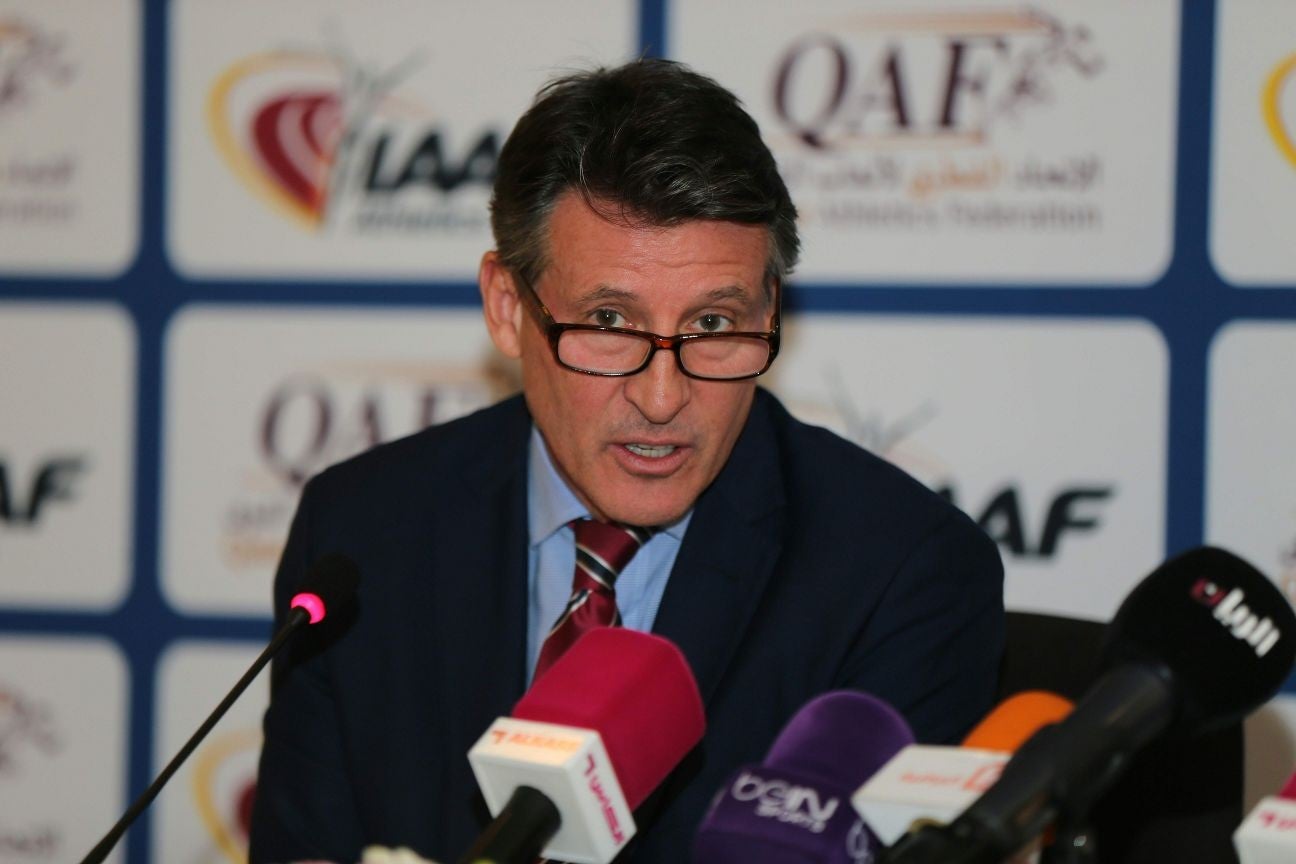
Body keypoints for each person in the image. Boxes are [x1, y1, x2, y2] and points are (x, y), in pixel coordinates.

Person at [248, 58, 1004, 864]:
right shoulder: (363, 533)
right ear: (508, 309)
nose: (662, 396)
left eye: (715, 324)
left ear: (768, 311)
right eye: (610, 320)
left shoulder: (901, 574)